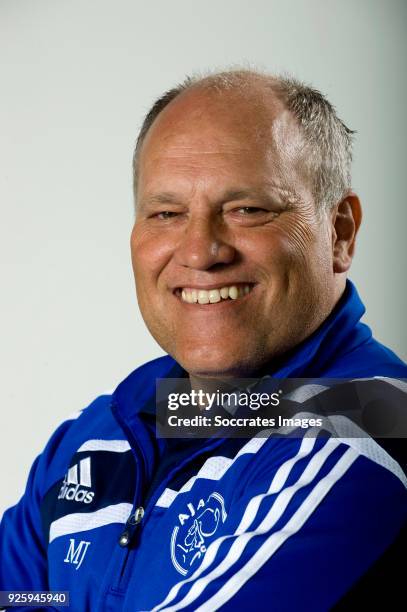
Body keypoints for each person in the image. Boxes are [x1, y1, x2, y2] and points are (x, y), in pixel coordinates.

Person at [1, 69, 406, 611]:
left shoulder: (370, 425)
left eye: (247, 210)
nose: (199, 251)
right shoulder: (97, 437)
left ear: (340, 232)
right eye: (167, 213)